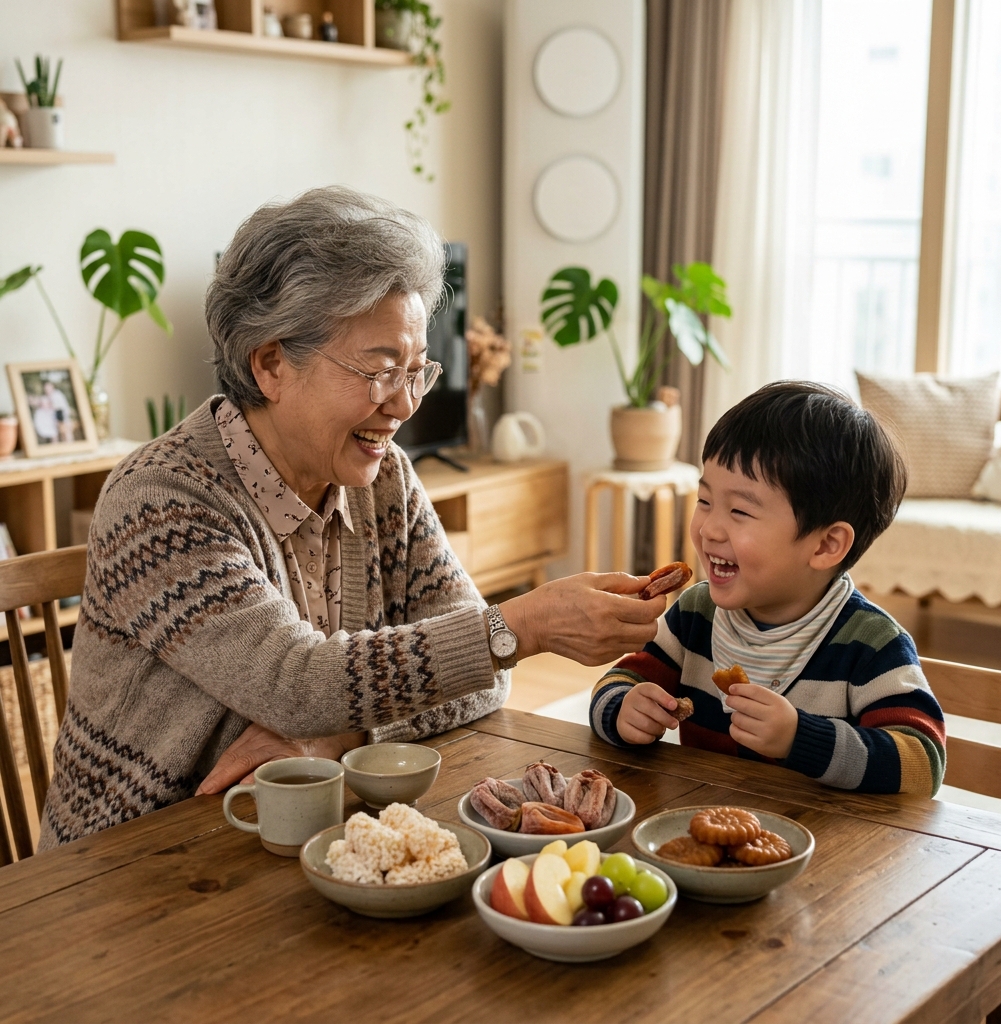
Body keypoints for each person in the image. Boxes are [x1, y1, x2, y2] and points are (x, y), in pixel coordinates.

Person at [38, 186, 666, 848]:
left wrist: (339, 733)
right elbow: (294, 681)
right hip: (137, 857)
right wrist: (523, 624)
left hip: (303, 833)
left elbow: (484, 680)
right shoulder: (161, 501)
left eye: (416, 371)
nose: (403, 404)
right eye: (381, 369)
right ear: (271, 364)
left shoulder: (383, 477)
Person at [589, 381, 946, 797]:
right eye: (705, 501)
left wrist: (801, 738)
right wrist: (623, 711)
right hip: (697, 823)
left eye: (740, 510)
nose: (709, 529)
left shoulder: (870, 644)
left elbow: (923, 765)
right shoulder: (695, 614)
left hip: (823, 835)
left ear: (826, 545)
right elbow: (615, 684)